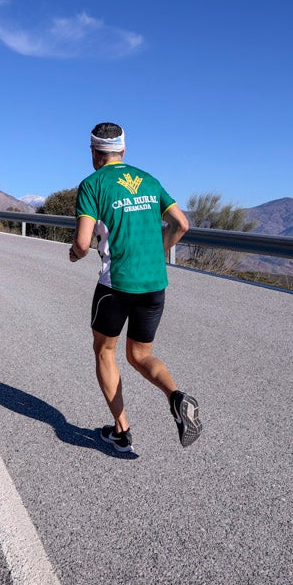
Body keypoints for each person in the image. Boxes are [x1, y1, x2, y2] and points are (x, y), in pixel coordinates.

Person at [68, 122, 201, 453]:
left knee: (105, 350)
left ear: (94, 153)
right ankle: (177, 396)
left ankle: (122, 431)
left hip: (118, 284)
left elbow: (83, 243)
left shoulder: (92, 185)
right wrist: (160, 248)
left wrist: (74, 253)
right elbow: (181, 224)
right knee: (141, 355)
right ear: (123, 151)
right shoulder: (150, 180)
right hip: (155, 283)